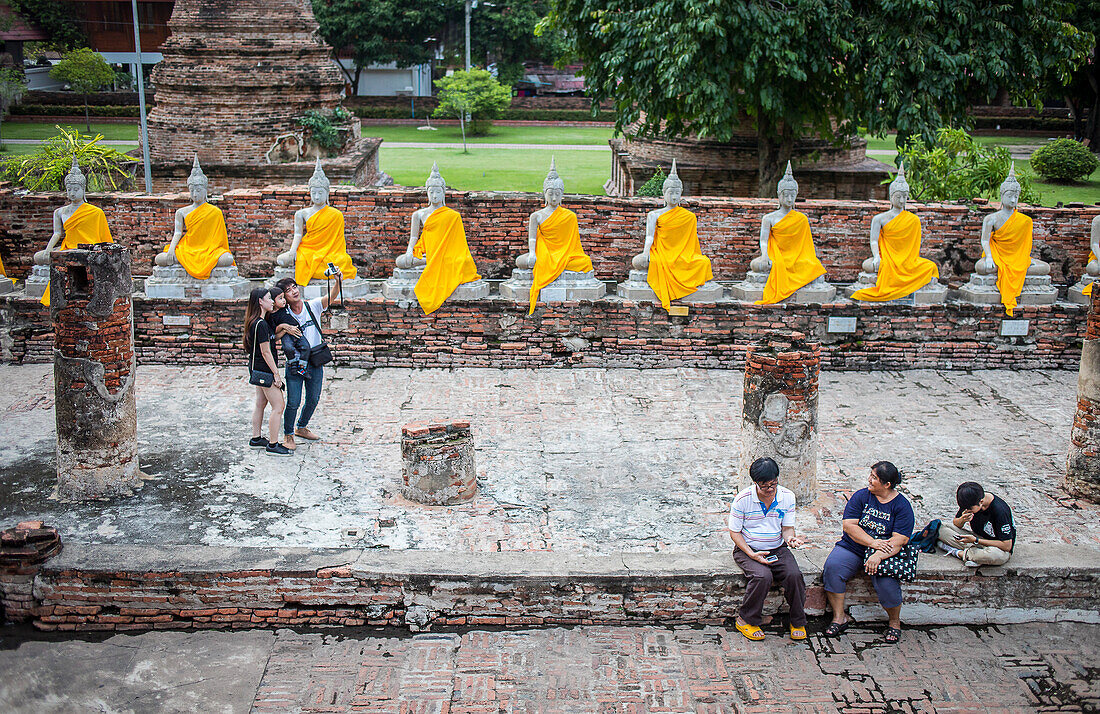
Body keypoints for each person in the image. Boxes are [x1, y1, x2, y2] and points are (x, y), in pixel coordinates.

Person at [822, 461, 915, 644]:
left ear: (887, 484)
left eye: (874, 478)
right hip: (854, 546)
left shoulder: (902, 506)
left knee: (886, 584)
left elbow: (901, 539)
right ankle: (839, 617)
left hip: (885, 553)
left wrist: (878, 554)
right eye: (871, 475)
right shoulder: (862, 496)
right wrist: (872, 542)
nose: (869, 480)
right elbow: (849, 525)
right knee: (833, 568)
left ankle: (894, 623)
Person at [727, 457, 808, 641]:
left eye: (773, 484)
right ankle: (746, 619)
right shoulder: (743, 500)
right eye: (765, 486)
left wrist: (791, 539)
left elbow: (787, 528)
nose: (770, 489)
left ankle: (797, 619)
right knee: (762, 576)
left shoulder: (787, 496)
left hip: (777, 548)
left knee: (794, 575)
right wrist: (751, 554)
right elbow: (734, 532)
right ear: (756, 483)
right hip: (748, 548)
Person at [274, 269, 342, 450]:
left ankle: (301, 427)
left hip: (315, 359)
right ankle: (288, 434)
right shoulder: (283, 315)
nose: (294, 291)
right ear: (284, 297)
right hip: (295, 363)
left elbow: (332, 297)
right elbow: (274, 336)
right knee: (293, 401)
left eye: (294, 287)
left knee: (313, 398)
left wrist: (337, 281)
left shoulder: (312, 306)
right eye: (288, 290)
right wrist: (284, 326)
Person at [243, 287, 290, 457]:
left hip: (257, 368)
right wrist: (276, 376)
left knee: (260, 404)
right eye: (269, 298)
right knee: (278, 406)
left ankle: (256, 438)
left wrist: (284, 329)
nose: (272, 301)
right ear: (260, 302)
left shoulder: (257, 322)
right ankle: (273, 444)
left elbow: (271, 340)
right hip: (264, 370)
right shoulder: (260, 324)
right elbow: (266, 351)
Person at [937, 482, 1015, 566]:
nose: (968, 510)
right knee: (941, 527)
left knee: (996, 555)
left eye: (970, 509)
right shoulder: (970, 502)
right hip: (975, 540)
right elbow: (956, 524)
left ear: (981, 502)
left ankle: (957, 552)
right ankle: (973, 556)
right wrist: (962, 519)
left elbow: (1007, 546)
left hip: (997, 547)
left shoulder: (1000, 511)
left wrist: (976, 540)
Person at [266, 286, 311, 382]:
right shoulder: (271, 315)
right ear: (273, 302)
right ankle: (293, 364)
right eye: (280, 298)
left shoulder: (285, 308)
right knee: (288, 348)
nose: (284, 301)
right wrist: (283, 326)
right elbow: (275, 330)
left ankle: (302, 367)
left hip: (297, 331)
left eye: (283, 298)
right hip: (286, 335)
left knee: (306, 347)